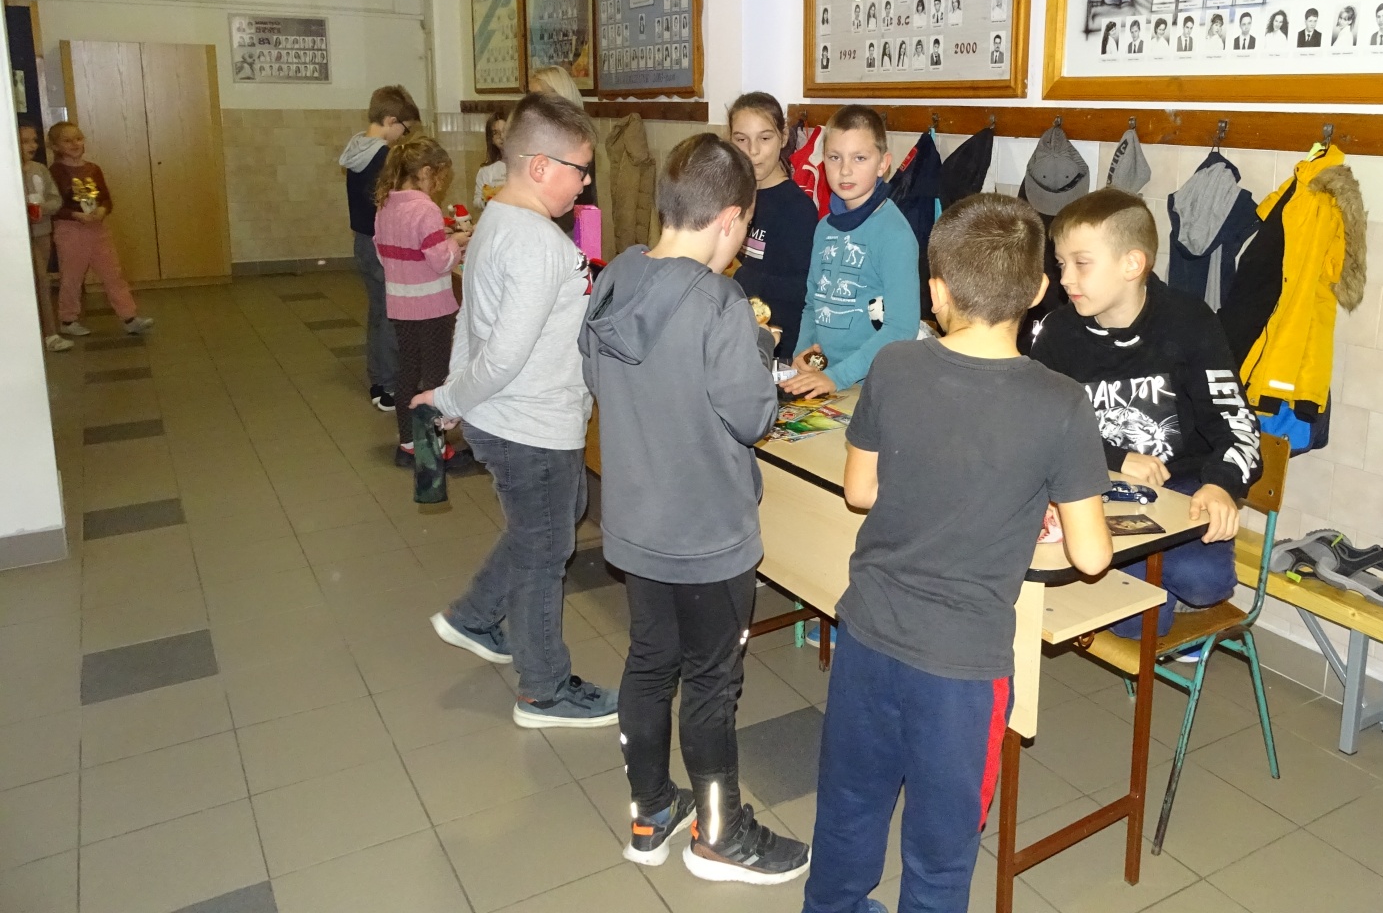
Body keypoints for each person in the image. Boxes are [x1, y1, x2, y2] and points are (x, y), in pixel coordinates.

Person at [803, 193, 1113, 913]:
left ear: (936, 292)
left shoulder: (894, 366)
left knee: (849, 809)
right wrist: (1037, 506)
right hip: (962, 670)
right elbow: (1093, 556)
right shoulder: (1062, 401)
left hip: (868, 636)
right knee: (941, 852)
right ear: (1038, 293)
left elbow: (860, 491)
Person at [580, 134, 810, 884]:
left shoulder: (616, 275)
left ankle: (651, 812)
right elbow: (752, 416)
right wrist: (759, 347)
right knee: (713, 685)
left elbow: (596, 374)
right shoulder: (721, 303)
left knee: (650, 664)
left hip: (635, 523)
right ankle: (720, 834)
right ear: (732, 220)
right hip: (710, 536)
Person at [423, 91, 619, 729]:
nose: (585, 183)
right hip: (530, 424)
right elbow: (504, 354)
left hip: (511, 416)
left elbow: (470, 323)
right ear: (539, 166)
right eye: (579, 170)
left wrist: (457, 392)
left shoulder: (496, 220)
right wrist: (450, 398)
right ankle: (545, 691)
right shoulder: (537, 243)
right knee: (544, 552)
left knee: (554, 519)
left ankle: (475, 617)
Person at [1032, 188, 1259, 640]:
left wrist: (1221, 485)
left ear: (1132, 264)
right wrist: (1114, 459)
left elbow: (1238, 427)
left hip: (1180, 488)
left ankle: (1157, 585)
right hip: (1095, 487)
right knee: (1138, 622)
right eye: (1060, 264)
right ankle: (1147, 593)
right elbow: (1036, 428)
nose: (1065, 279)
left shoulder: (1190, 322)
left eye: (1081, 263)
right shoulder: (1057, 332)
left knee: (1207, 583)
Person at [783, 106, 920, 400]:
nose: (845, 170)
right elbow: (812, 304)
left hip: (872, 384)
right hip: (827, 380)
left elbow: (901, 328)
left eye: (859, 158)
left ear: (883, 164)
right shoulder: (824, 228)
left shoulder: (894, 234)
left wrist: (837, 377)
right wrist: (802, 355)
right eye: (835, 157)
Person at [374, 135, 472, 463]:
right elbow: (440, 261)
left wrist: (437, 242)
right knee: (434, 377)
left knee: (407, 372)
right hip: (431, 307)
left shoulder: (385, 204)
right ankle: (433, 448)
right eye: (438, 177)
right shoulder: (425, 208)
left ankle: (408, 443)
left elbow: (383, 254)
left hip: (400, 304)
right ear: (426, 172)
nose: (438, 186)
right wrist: (457, 242)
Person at [340, 85, 421, 411]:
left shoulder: (356, 148)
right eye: (404, 129)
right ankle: (388, 385)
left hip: (363, 242)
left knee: (378, 312)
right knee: (391, 315)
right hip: (382, 245)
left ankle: (379, 379)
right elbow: (394, 207)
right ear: (390, 120)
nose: (403, 136)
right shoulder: (384, 157)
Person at [46, 122, 153, 339]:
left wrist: (103, 210)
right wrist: (76, 215)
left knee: (113, 273)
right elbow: (55, 206)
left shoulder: (93, 169)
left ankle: (129, 317)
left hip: (97, 228)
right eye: (67, 141)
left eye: (78, 138)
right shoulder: (55, 172)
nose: (75, 144)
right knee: (72, 276)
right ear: (56, 146)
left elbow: (105, 198)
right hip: (70, 230)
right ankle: (68, 319)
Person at [18, 125, 69, 353]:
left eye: (34, 140)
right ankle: (41, 334)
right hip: (18, 237)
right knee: (34, 281)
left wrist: (42, 209)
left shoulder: (39, 169)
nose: (32, 146)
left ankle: (48, 333)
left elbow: (55, 199)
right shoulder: (8, 171)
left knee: (42, 280)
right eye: (25, 141)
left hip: (41, 233)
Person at [474, 112, 509, 211]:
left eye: (505, 130)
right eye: (495, 133)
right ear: (491, 139)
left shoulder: (526, 165)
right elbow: (476, 201)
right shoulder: (486, 170)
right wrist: (488, 201)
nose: (501, 136)